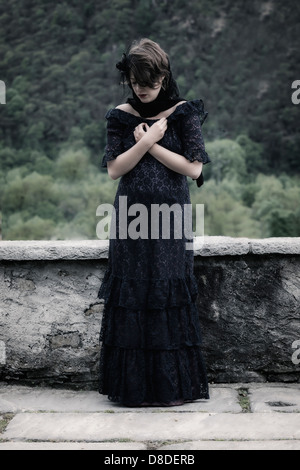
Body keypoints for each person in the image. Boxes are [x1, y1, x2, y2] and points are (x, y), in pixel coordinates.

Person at [98, 38, 210, 407]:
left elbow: (194, 168)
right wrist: (143, 143)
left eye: (149, 83)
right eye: (135, 83)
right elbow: (115, 170)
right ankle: (133, 389)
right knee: (134, 295)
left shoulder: (183, 112)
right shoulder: (120, 114)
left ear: (163, 76)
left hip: (172, 219)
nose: (141, 90)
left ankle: (170, 389)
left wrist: (155, 141)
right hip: (130, 220)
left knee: (166, 294)